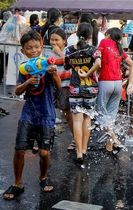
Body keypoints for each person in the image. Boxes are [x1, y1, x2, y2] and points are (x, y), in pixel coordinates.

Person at [2, 31, 61, 200]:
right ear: (23, 50)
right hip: (28, 114)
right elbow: (17, 90)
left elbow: (58, 87)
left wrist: (54, 73)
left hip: (47, 114)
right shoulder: (25, 68)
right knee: (19, 150)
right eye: (29, 48)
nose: (33, 50)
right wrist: (27, 82)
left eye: (36, 47)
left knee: (44, 153)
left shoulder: (47, 65)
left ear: (42, 47)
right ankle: (17, 183)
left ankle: (43, 177)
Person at [81, 27, 133, 152]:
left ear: (109, 35)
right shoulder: (119, 47)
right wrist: (130, 84)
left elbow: (97, 60)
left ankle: (115, 138)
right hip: (118, 84)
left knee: (100, 113)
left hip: (105, 82)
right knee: (110, 116)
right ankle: (110, 144)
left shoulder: (105, 43)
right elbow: (132, 64)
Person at [64, 23, 101, 165]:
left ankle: (78, 152)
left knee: (77, 120)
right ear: (90, 35)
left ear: (76, 33)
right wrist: (89, 73)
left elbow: (67, 66)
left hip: (74, 88)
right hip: (90, 89)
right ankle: (84, 149)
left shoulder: (69, 50)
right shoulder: (93, 50)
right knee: (87, 119)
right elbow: (98, 63)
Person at [48, 28, 75, 152]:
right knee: (50, 112)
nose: (54, 43)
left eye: (57, 40)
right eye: (52, 39)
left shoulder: (68, 51)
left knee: (68, 114)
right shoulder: (48, 52)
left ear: (64, 41)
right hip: (52, 86)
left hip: (65, 86)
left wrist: (59, 52)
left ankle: (75, 139)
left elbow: (70, 63)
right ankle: (47, 138)